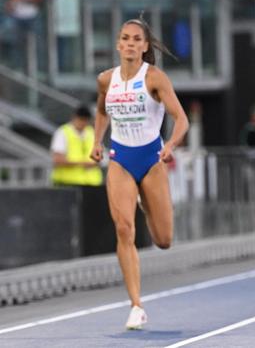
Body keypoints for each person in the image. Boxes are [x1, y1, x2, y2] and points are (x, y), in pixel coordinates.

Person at [90, 17, 189, 329]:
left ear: (145, 46)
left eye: (136, 39)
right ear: (118, 44)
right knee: (123, 229)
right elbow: (102, 111)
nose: (130, 43)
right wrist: (96, 141)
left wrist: (171, 143)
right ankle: (135, 305)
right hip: (120, 158)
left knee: (163, 240)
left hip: (151, 158)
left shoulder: (155, 78)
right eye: (125, 38)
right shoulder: (106, 80)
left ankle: (147, 203)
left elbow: (181, 119)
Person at [51, 104, 103, 187]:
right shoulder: (63, 132)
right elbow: (58, 160)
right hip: (67, 183)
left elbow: (100, 158)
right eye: (81, 119)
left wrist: (95, 162)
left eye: (86, 120)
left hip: (92, 184)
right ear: (74, 117)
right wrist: (82, 163)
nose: (83, 123)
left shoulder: (92, 133)